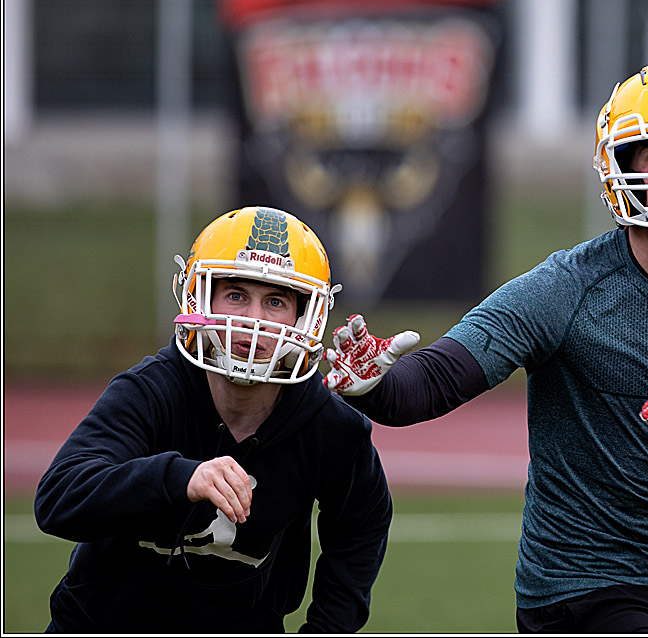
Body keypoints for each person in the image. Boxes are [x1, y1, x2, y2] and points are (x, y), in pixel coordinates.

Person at [324, 61, 648, 633]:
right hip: (577, 589)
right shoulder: (565, 287)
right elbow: (430, 387)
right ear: (622, 168)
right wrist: (375, 383)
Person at [35, 206, 392, 633]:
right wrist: (179, 478)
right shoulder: (151, 392)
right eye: (236, 294)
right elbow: (58, 500)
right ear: (197, 297)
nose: (254, 320)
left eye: (275, 301)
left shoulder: (328, 424)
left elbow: (362, 523)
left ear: (307, 316)